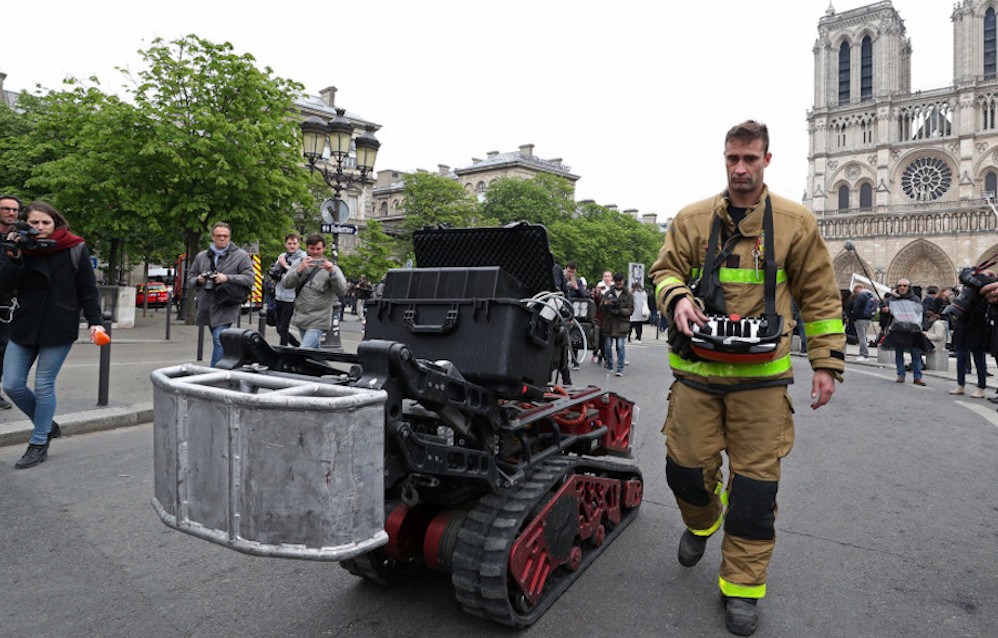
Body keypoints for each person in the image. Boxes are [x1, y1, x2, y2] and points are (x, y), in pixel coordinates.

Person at [650, 121, 845, 636]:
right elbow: (663, 270)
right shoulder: (693, 218)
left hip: (761, 382)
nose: (741, 169)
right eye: (733, 159)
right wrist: (677, 297)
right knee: (684, 473)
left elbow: (821, 296)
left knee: (756, 496)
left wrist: (826, 362)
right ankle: (701, 521)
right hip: (696, 376)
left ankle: (741, 589)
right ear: (725, 158)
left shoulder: (796, 222)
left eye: (750, 160)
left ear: (767, 160)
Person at [0, 201, 105, 469]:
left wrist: (96, 322)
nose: (40, 228)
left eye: (45, 222)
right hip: (25, 324)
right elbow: (5, 286)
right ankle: (47, 424)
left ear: (55, 223)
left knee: (44, 384)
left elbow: (88, 290)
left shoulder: (74, 247)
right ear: (26, 223)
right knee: (12, 384)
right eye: (34, 222)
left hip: (59, 325)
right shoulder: (20, 247)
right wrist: (13, 257)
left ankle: (38, 442)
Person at [188, 222, 254, 367]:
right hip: (206, 305)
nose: (222, 238)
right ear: (213, 237)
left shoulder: (241, 256)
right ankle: (236, 362)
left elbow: (250, 278)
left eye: (225, 236)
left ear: (230, 237)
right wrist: (199, 280)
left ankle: (215, 374)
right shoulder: (202, 257)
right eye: (219, 236)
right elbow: (190, 280)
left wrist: (227, 278)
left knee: (220, 339)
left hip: (226, 304)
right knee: (221, 341)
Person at [281, 233, 347, 349]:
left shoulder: (332, 268)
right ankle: (324, 366)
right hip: (302, 317)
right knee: (314, 353)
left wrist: (332, 273)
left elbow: (342, 291)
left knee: (304, 350)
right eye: (312, 249)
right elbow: (286, 284)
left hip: (319, 320)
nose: (315, 252)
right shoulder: (299, 264)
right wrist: (298, 270)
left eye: (318, 249)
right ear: (307, 248)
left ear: (324, 249)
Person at [0, 193, 24, 410]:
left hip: (9, 304)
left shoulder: (21, 239)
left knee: (2, 348)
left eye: (14, 210)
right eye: (6, 209)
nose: (10, 213)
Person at [882, 279, 928, 385]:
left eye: (905, 286)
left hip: (913, 330)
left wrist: (924, 327)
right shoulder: (892, 299)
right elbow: (885, 310)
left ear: (908, 287)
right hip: (898, 329)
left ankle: (917, 377)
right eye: (900, 286)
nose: (902, 288)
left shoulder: (915, 299)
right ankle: (901, 375)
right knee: (899, 353)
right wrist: (885, 310)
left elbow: (921, 313)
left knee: (915, 354)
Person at [948, 295, 988, 398]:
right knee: (961, 358)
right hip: (962, 328)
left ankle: (981, 387)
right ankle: (960, 384)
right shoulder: (965, 294)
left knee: (979, 359)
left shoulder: (982, 296)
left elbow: (981, 312)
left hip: (976, 330)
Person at [270, 233, 306, 347]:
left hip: (291, 298)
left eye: (294, 243)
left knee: (282, 328)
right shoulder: (282, 256)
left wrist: (285, 266)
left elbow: (298, 275)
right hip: (279, 295)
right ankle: (298, 347)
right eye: (289, 243)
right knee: (278, 328)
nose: (292, 246)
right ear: (285, 244)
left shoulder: (303, 258)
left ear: (299, 244)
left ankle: (284, 350)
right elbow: (275, 273)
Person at [599, 272, 633, 377]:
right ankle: (609, 364)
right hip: (609, 323)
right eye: (617, 284)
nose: (618, 286)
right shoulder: (609, 293)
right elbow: (601, 306)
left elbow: (631, 310)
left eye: (620, 284)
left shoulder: (628, 295)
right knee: (608, 346)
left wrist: (620, 311)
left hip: (621, 323)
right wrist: (605, 304)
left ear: (623, 282)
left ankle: (619, 368)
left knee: (620, 346)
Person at [849, 284, 876, 361]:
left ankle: (864, 355)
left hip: (860, 319)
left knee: (862, 337)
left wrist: (853, 318)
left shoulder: (861, 296)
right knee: (863, 336)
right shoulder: (870, 295)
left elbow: (856, 308)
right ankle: (864, 354)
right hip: (867, 319)